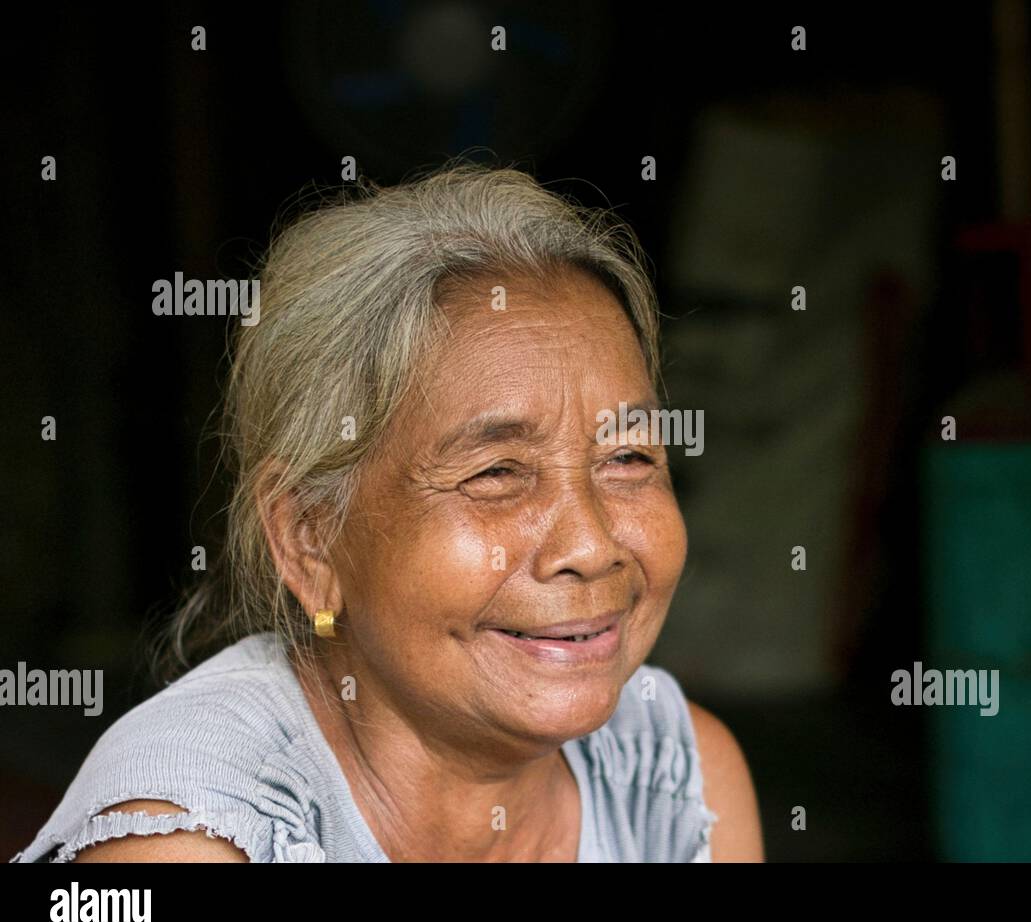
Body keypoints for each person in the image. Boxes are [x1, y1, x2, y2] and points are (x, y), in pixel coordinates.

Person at [12, 162, 763, 863]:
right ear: (310, 543)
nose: (592, 544)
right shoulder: (192, 837)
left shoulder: (679, 782)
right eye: (497, 472)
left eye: (628, 458)